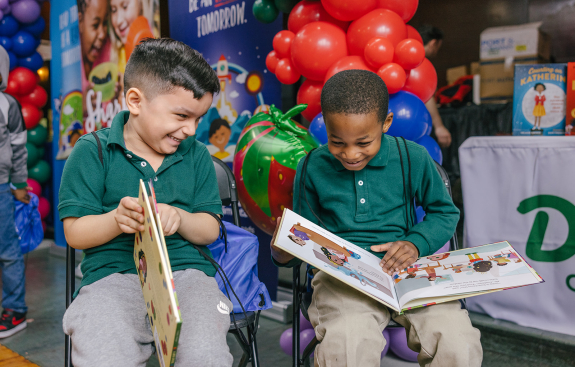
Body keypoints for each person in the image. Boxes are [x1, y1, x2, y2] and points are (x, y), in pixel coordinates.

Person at [270, 70, 482, 367]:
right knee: (347, 348)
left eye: (363, 142)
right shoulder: (312, 167)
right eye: (337, 142)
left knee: (459, 345)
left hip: (409, 274)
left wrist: (415, 243)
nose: (351, 154)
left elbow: (445, 212)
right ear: (325, 126)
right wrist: (282, 252)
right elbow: (302, 239)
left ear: (386, 123)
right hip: (341, 279)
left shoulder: (413, 157)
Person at [59, 38, 234, 366]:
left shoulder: (196, 155)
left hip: (188, 276)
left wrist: (180, 217)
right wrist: (115, 220)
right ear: (135, 101)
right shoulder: (92, 151)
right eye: (182, 115)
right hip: (112, 279)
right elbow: (75, 233)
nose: (191, 129)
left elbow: (210, 230)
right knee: (104, 353)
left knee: (205, 355)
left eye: (198, 118)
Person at [0, 45, 29, 338]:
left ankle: (15, 309)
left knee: (7, 250)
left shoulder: (7, 104)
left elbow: (19, 149)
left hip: (0, 188)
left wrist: (20, 185)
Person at [418, 25, 452, 149]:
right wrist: (439, 127)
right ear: (433, 43)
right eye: (438, 47)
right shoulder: (421, 64)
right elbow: (427, 96)